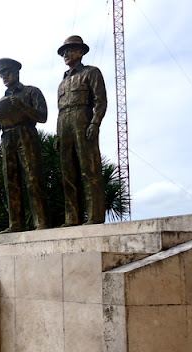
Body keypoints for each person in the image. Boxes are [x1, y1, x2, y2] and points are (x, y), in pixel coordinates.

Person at [0, 58, 50, 233]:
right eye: (1, 74)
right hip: (7, 137)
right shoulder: (1, 100)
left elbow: (43, 116)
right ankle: (16, 223)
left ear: (17, 72)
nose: (4, 77)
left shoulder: (31, 92)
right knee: (11, 182)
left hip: (26, 134)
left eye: (6, 72)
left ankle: (41, 222)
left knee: (33, 179)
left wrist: (23, 107)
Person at [56, 35, 108, 226]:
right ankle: (72, 217)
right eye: (63, 52)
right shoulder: (62, 82)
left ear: (81, 52)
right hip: (65, 124)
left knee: (89, 168)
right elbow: (60, 109)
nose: (66, 55)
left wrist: (95, 123)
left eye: (69, 50)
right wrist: (58, 133)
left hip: (83, 119)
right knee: (67, 172)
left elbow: (101, 101)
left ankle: (94, 216)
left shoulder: (91, 73)